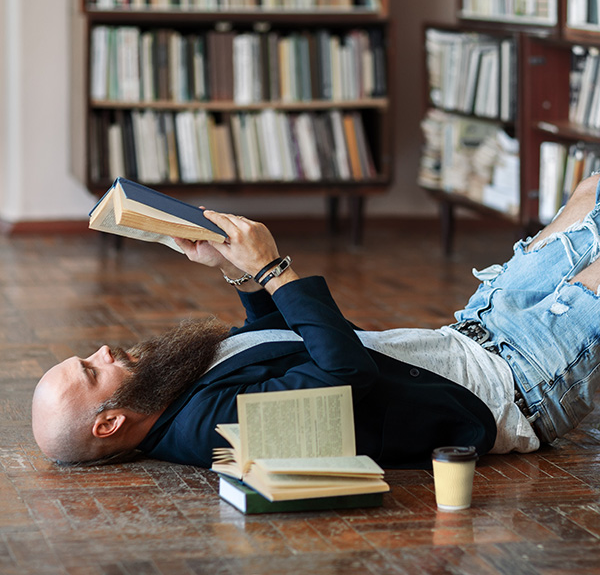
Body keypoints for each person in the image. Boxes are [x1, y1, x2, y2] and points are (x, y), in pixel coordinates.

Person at [32, 175, 600, 469]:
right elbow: (345, 374)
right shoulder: (215, 431)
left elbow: (278, 344)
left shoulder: (171, 392)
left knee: (590, 193)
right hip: (516, 384)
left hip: (473, 334)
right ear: (107, 424)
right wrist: (275, 267)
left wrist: (239, 272)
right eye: (89, 369)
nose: (103, 350)